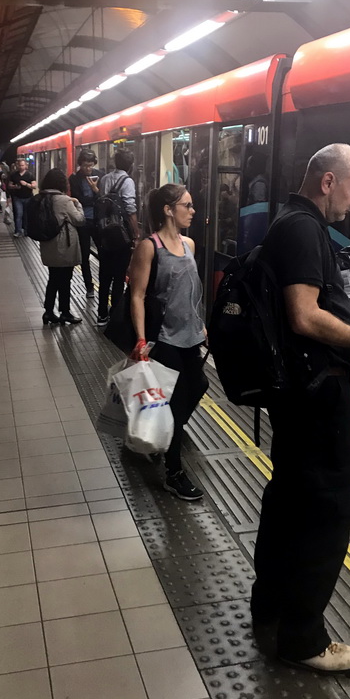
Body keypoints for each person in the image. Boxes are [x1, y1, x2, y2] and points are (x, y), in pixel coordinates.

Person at [250, 143, 350, 677]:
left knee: (289, 497)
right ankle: (303, 637)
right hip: (316, 394)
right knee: (326, 509)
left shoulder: (290, 224)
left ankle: (270, 605)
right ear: (327, 182)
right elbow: (303, 317)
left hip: (299, 393)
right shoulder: (301, 230)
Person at [128, 183, 208, 502]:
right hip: (164, 337)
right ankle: (174, 473)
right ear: (168, 210)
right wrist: (141, 339)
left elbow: (191, 291)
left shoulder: (189, 244)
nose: (192, 211)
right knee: (173, 404)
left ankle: (162, 438)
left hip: (191, 335)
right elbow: (137, 295)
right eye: (186, 205)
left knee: (198, 386)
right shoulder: (150, 246)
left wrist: (201, 324)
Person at [97, 149, 139, 327]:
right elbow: (130, 208)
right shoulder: (127, 181)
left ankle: (101, 314)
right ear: (131, 165)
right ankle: (115, 313)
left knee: (104, 274)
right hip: (121, 235)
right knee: (119, 274)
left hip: (104, 232)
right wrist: (136, 234)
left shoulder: (105, 178)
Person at [38, 168, 84, 325]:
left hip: (48, 245)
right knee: (65, 280)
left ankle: (48, 312)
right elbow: (79, 220)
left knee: (53, 279)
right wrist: (78, 204)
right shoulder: (64, 200)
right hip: (64, 247)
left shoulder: (42, 198)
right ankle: (65, 312)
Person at [69, 149, 104, 297]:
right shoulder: (74, 178)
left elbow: (103, 197)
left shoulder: (100, 175)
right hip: (82, 220)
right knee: (84, 255)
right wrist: (94, 197)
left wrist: (95, 190)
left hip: (98, 220)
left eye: (90, 165)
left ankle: (104, 283)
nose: (88, 169)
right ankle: (89, 286)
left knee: (103, 253)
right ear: (80, 165)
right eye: (84, 166)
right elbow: (78, 198)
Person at [8, 157, 36, 237]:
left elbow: (34, 186)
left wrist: (26, 184)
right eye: (19, 165)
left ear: (25, 166)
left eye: (22, 165)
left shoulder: (30, 175)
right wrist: (15, 187)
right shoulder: (13, 175)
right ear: (17, 166)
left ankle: (27, 231)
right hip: (17, 197)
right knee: (18, 214)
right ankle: (18, 231)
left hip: (28, 197)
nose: (21, 167)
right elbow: (9, 185)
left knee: (27, 215)